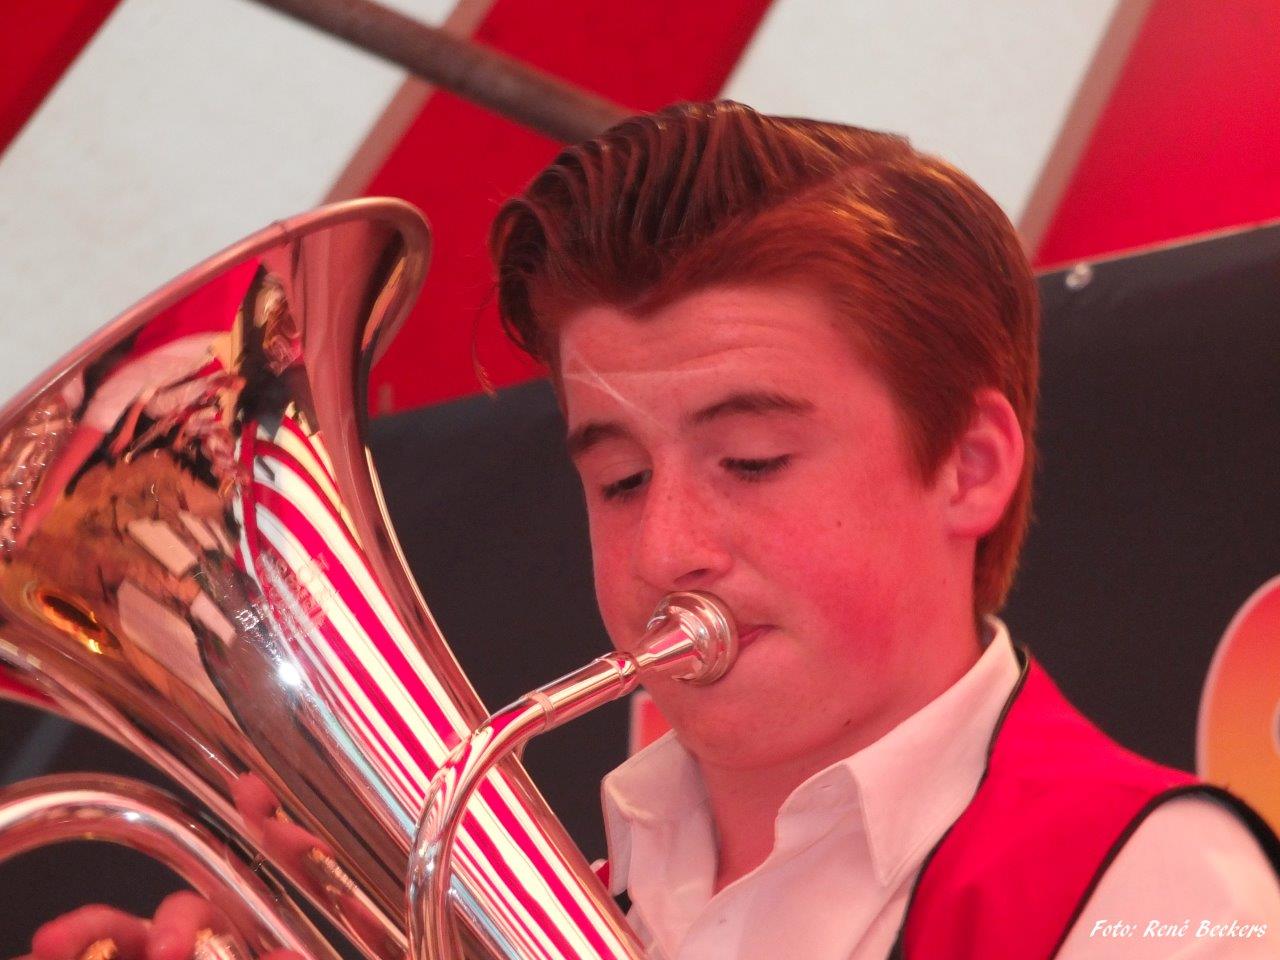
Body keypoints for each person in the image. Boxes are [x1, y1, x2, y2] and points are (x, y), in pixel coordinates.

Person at [24, 100, 1280, 959]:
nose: (665, 546)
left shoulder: (1164, 897)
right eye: (619, 479)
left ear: (968, 465)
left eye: (751, 460)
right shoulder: (590, 893)